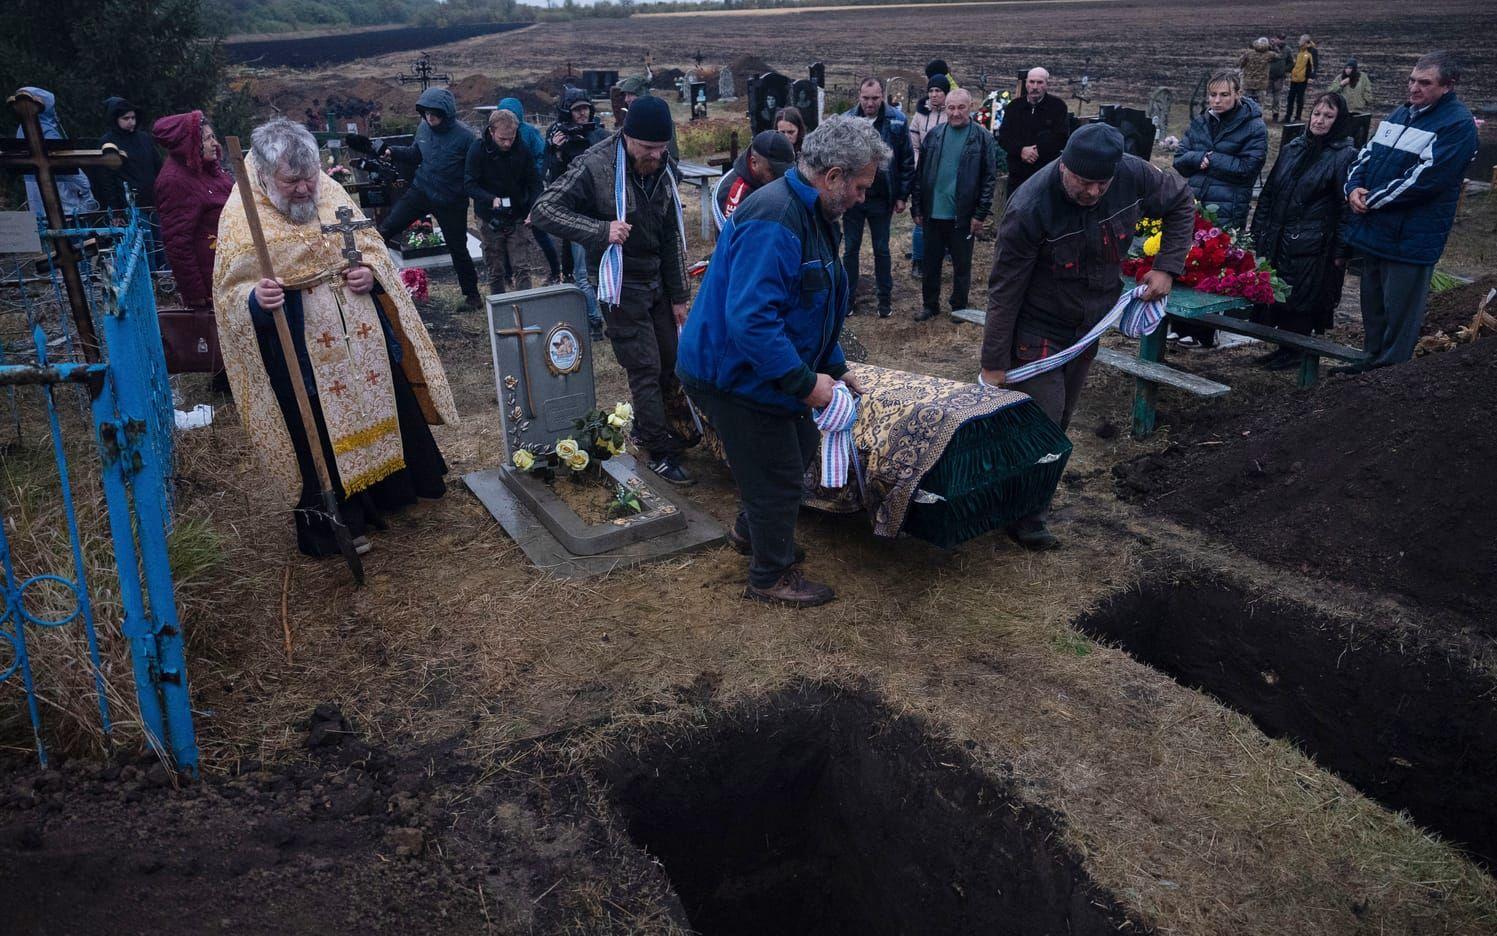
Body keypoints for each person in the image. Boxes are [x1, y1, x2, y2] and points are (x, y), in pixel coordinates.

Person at [212, 118, 458, 558]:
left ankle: (391, 495)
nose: (307, 190)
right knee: (318, 431)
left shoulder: (327, 186)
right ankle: (337, 521)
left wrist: (370, 273)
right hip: (301, 345)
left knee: (381, 403)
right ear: (267, 176)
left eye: (310, 177)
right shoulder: (241, 211)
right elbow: (229, 293)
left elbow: (369, 245)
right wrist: (256, 298)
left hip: (360, 333)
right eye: (293, 182)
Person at [677, 116, 886, 607]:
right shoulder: (776, 219)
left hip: (754, 364)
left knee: (795, 444)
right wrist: (804, 383)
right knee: (778, 468)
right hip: (727, 371)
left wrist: (834, 366)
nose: (862, 198)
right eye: (859, 186)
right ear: (833, 176)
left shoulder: (813, 216)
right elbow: (752, 321)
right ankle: (770, 576)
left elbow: (810, 306)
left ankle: (755, 533)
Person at [982, 123, 1194, 549]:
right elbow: (1004, 290)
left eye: (1103, 184)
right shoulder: (1030, 207)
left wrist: (1167, 265)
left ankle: (1025, 506)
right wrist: (993, 364)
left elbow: (1181, 201)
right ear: (1065, 167)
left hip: (1089, 327)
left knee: (1060, 420)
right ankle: (1025, 517)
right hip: (1037, 327)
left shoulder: (1133, 174)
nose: (1095, 192)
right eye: (1084, 182)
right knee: (1041, 418)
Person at [532, 95, 695, 485]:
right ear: (627, 137)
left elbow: (672, 231)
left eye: (662, 147)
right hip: (619, 282)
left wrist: (679, 295)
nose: (656, 156)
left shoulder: (664, 166)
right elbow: (544, 209)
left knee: (671, 360)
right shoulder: (594, 165)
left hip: (657, 279)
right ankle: (657, 449)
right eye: (648, 148)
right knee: (644, 366)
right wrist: (600, 230)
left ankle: (652, 425)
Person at [1338, 51, 1478, 373]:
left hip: (1412, 237)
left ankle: (1390, 373)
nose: (1414, 88)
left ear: (1448, 85)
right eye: (1412, 80)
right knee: (1373, 304)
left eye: (1424, 83)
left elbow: (1424, 180)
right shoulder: (1402, 113)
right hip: (1376, 230)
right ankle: (1369, 360)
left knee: (1400, 310)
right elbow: (1366, 154)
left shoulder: (1457, 125)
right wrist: (1352, 188)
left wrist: (1369, 199)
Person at [1249, 92, 1357, 369]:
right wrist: (1258, 230)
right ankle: (1283, 348)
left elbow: (1345, 207)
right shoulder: (1293, 148)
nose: (1320, 121)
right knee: (1280, 293)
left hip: (1313, 243)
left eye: (1328, 116)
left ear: (1339, 120)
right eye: (1317, 114)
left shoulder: (1343, 156)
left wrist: (1342, 250)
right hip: (1279, 235)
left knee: (1302, 297)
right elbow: (1270, 193)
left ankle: (1295, 350)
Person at [1172, 69, 1267, 349]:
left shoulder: (1253, 126)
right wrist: (1199, 156)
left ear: (1238, 94)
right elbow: (1180, 159)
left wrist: (1211, 160)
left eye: (1224, 94)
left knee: (1213, 269)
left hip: (1227, 206)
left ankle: (1204, 332)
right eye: (1213, 94)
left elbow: (1249, 167)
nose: (1217, 100)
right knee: (1187, 262)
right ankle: (1180, 326)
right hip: (1195, 204)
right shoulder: (1202, 122)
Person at [376, 88, 481, 309]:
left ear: (446, 113)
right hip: (421, 191)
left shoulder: (466, 137)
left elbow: (476, 173)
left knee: (458, 248)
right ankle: (377, 284)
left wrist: (462, 193)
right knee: (386, 229)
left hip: (451, 201)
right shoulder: (424, 127)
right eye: (426, 113)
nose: (430, 118)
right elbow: (416, 154)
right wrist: (392, 152)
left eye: (435, 114)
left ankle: (472, 297)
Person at [910, 89, 997, 323]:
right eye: (951, 107)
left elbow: (989, 178)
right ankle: (930, 305)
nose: (956, 113)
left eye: (961, 107)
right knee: (930, 263)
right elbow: (920, 175)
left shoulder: (981, 138)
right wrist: (916, 207)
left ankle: (959, 306)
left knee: (961, 265)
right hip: (932, 213)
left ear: (971, 107)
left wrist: (980, 214)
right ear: (945, 108)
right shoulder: (934, 136)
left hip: (963, 216)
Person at [840, 77, 914, 318]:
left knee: (882, 249)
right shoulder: (847, 121)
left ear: (882, 96)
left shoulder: (897, 121)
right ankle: (848, 299)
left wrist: (902, 195)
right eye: (865, 98)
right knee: (851, 249)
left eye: (875, 98)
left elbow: (905, 160)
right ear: (858, 96)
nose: (870, 103)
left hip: (882, 197)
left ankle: (885, 301)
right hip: (853, 197)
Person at [545, 87, 609, 337]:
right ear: (567, 113)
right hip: (576, 215)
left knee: (603, 269)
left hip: (602, 212)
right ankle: (594, 322)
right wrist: (556, 151)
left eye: (585, 108)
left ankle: (608, 319)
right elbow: (551, 178)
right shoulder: (558, 137)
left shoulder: (601, 135)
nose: (582, 114)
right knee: (582, 272)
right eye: (577, 109)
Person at [153, 110, 231, 310]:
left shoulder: (208, 169)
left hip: (228, 269)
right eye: (207, 139)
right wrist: (196, 293)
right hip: (211, 279)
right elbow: (178, 243)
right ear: (190, 145)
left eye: (214, 137)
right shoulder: (174, 182)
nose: (215, 143)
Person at [465, 109, 544, 294]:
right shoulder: (477, 150)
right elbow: (469, 184)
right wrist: (490, 199)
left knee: (522, 267)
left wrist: (533, 207)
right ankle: (500, 312)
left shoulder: (522, 148)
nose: (508, 143)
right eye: (502, 139)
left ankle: (526, 307)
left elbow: (535, 182)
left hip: (517, 215)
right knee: (496, 268)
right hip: (489, 217)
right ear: (491, 132)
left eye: (511, 137)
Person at [497, 97, 562, 284]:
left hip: (530, 191)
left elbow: (541, 157)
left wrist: (533, 177)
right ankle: (509, 274)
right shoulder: (501, 135)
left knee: (539, 231)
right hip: (510, 192)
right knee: (507, 232)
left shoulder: (530, 133)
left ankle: (555, 272)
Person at [98, 96, 164, 267]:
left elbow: (158, 167)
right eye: (125, 118)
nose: (131, 122)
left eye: (133, 118)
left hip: (153, 201)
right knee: (142, 247)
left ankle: (164, 281)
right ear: (115, 119)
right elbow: (108, 179)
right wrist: (117, 211)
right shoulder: (108, 142)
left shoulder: (144, 138)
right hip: (130, 205)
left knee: (160, 244)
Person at [16, 88, 96, 220]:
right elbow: (66, 162)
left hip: (37, 199)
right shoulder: (47, 130)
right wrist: (85, 187)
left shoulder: (22, 129)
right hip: (61, 197)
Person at [997, 67, 1071, 195]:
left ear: (1047, 84)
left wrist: (1038, 150)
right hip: (1017, 176)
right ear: (1026, 84)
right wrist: (1021, 150)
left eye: (1040, 82)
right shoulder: (1014, 107)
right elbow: (1004, 136)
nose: (1035, 86)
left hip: (1046, 175)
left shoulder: (1058, 107)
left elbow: (1061, 137)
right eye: (1031, 82)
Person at [908, 73, 954, 278]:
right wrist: (919, 167)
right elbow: (914, 146)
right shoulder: (920, 116)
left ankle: (943, 252)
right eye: (931, 91)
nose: (934, 95)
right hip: (924, 175)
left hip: (946, 175)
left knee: (945, 217)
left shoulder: (952, 115)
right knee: (921, 219)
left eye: (939, 91)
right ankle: (918, 260)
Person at [712, 129, 796, 230]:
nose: (781, 178)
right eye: (773, 172)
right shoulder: (734, 193)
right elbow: (735, 240)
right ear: (754, 163)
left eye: (785, 171)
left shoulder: (773, 180)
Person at [1287, 34, 1318, 123]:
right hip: (1294, 78)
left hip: (1303, 78)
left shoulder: (1312, 51)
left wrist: (1311, 76)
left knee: (1299, 98)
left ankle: (1297, 117)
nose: (1298, 41)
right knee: (1290, 98)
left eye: (1300, 40)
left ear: (1305, 41)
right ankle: (1288, 116)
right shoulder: (1300, 50)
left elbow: (1314, 65)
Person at [1239, 38, 1276, 104]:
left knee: (1245, 104)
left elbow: (1241, 64)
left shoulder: (1248, 53)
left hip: (1248, 83)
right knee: (1259, 106)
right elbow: (1280, 56)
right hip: (1261, 84)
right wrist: (1272, 47)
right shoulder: (1270, 54)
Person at [1268, 32, 1293, 122]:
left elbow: (1291, 63)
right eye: (1279, 38)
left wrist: (1284, 70)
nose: (1280, 40)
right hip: (1267, 77)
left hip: (1279, 78)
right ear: (1275, 38)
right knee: (1263, 96)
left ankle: (1275, 115)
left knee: (1277, 97)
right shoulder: (1268, 48)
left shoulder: (1287, 50)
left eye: (1282, 39)